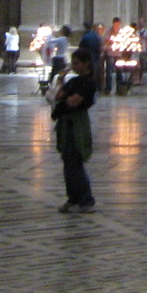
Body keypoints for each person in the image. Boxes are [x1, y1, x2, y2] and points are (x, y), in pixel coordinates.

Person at [53, 51, 97, 213]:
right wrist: (60, 80)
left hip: (76, 124)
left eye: (77, 63)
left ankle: (86, 199)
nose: (74, 66)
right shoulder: (74, 81)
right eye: (73, 63)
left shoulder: (87, 83)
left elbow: (72, 101)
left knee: (75, 162)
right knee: (68, 162)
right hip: (66, 122)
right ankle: (73, 198)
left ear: (86, 64)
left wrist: (66, 96)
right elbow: (58, 96)